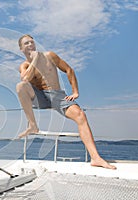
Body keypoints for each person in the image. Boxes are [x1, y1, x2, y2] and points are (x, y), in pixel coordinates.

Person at [16, 34, 116, 170]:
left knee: (80, 115)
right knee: (20, 86)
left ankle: (95, 158)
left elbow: (69, 70)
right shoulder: (25, 65)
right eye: (26, 43)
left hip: (56, 96)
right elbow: (25, 79)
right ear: (21, 49)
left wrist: (75, 91)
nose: (30, 45)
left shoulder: (49, 56)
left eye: (32, 42)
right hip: (39, 97)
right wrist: (35, 60)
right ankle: (33, 125)